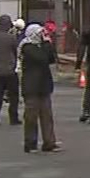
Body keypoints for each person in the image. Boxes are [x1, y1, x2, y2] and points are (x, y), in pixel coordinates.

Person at [18, 22, 60, 153]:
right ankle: (30, 143)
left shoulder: (41, 46)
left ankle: (49, 142)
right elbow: (41, 58)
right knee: (31, 116)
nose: (43, 35)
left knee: (47, 115)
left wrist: (48, 44)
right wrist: (47, 44)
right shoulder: (27, 47)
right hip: (31, 86)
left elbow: (51, 59)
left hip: (44, 85)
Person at [0, 14, 20, 125]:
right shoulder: (10, 37)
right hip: (10, 70)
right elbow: (15, 51)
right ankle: (13, 118)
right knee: (14, 96)